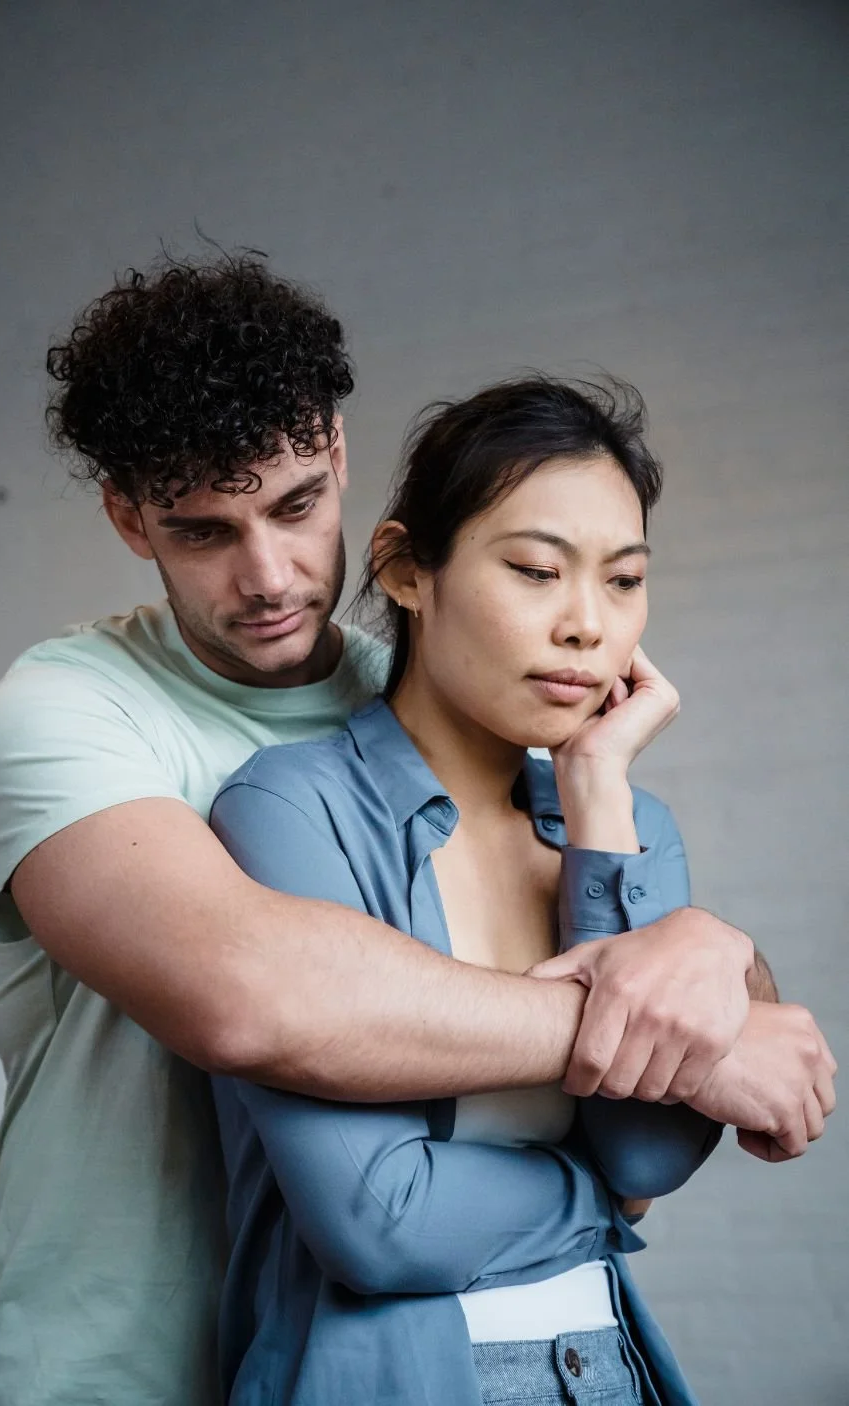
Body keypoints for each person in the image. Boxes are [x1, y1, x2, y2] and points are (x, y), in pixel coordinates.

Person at [0, 252, 834, 1406]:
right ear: (128, 517)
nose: (267, 575)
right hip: (105, 1357)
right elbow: (253, 996)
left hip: (350, 1346)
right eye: (202, 531)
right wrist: (686, 1043)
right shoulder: (67, 708)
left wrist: (715, 958)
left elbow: (612, 922)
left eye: (294, 505)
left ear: (337, 453)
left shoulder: (425, 695)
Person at [206, 375, 784, 1405]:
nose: (583, 623)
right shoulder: (288, 810)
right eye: (533, 569)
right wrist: (601, 1196)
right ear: (403, 568)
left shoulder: (635, 830)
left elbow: (645, 1148)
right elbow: (377, 1220)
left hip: (605, 1370)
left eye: (621, 580)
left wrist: (598, 799)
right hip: (387, 1377)